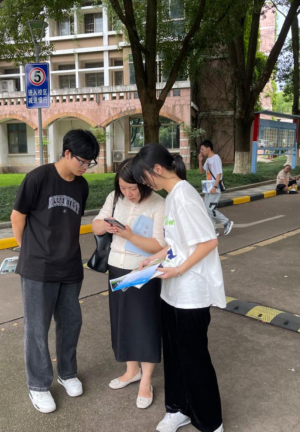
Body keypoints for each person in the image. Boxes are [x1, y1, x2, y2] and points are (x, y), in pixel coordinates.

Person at [133, 144, 226, 433]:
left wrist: (178, 269)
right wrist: (154, 259)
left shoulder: (184, 196)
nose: (145, 183)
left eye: (144, 177)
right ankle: (178, 409)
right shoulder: (173, 196)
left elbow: (209, 242)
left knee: (194, 359)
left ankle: (210, 422)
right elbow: (177, 244)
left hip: (191, 294)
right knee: (174, 355)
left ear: (157, 169)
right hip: (172, 292)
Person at [10, 129, 100, 414]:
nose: (85, 167)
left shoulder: (81, 186)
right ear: (67, 153)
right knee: (37, 328)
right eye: (82, 161)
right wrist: (28, 250)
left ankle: (67, 372)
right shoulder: (38, 178)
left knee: (71, 322)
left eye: (90, 163)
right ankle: (38, 385)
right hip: (38, 268)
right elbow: (17, 217)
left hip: (70, 266)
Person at [92, 158, 167, 410]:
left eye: (132, 188)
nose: (127, 193)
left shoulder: (158, 204)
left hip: (143, 270)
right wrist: (106, 224)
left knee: (145, 324)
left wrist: (129, 235)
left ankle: (146, 380)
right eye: (123, 188)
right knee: (122, 321)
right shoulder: (115, 198)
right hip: (116, 267)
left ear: (144, 183)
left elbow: (160, 245)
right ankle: (131, 370)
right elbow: (95, 226)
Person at [198, 140, 234, 236]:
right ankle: (213, 230)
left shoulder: (216, 158)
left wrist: (214, 186)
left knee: (211, 209)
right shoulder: (208, 160)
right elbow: (201, 171)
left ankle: (226, 222)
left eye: (203, 149)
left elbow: (219, 174)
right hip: (208, 186)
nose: (201, 151)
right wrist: (200, 160)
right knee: (206, 209)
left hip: (215, 186)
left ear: (208, 148)